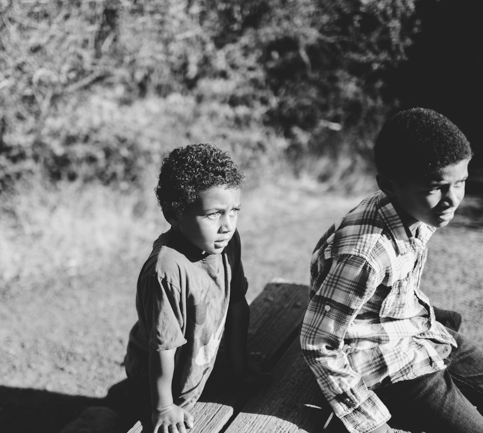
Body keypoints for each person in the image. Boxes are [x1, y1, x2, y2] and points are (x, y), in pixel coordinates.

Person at [300, 107, 482, 433]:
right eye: (435, 187)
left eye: (461, 182)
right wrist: (371, 423)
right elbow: (319, 344)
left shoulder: (416, 212)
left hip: (416, 332)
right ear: (389, 185)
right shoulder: (365, 254)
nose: (452, 200)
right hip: (386, 367)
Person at [124, 143, 265, 433]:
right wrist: (163, 407)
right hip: (158, 386)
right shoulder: (167, 270)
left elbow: (236, 302)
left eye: (234, 210)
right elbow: (163, 348)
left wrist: (239, 368)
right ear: (174, 214)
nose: (227, 225)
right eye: (213, 214)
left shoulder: (227, 243)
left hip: (196, 369)